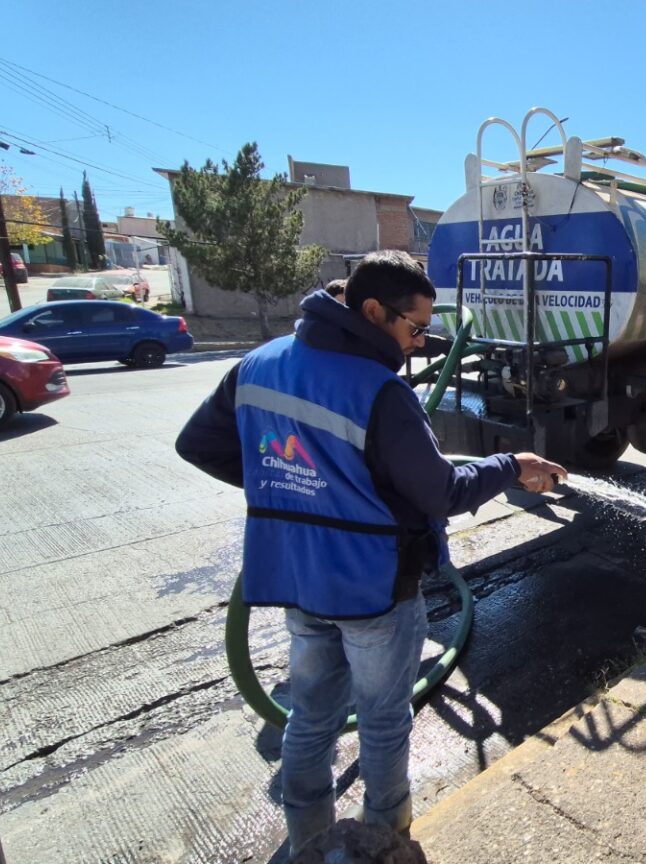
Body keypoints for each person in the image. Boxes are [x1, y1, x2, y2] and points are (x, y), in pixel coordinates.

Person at [175, 250, 565, 851]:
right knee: (383, 721)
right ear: (374, 311)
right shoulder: (380, 391)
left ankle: (310, 840)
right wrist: (511, 464)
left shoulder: (257, 365)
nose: (417, 343)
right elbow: (440, 490)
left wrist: (292, 492)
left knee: (310, 716)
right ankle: (387, 841)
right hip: (374, 589)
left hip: (298, 577)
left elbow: (199, 444)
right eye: (414, 327)